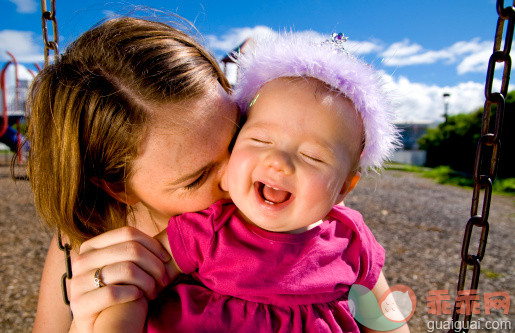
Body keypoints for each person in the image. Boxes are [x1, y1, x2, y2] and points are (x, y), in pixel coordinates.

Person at [104, 33, 408, 332]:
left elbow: (382, 321)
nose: (279, 161)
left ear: (344, 187)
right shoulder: (209, 230)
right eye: (261, 139)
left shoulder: (352, 241)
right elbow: (135, 279)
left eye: (313, 156)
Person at [28, 16, 239, 332]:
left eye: (238, 140)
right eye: (198, 177)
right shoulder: (85, 242)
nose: (240, 176)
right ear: (117, 187)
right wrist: (84, 326)